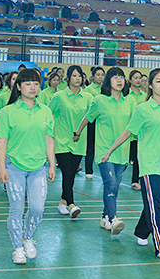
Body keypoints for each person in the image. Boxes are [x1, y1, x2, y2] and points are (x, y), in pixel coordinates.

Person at [101, 68, 160, 260]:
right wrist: (109, 151)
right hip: (149, 165)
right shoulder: (143, 109)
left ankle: (141, 231)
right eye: (158, 81)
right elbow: (127, 132)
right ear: (151, 85)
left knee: (154, 202)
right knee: (156, 207)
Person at [0, 68, 56, 264]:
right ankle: (17, 248)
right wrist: (2, 167)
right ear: (19, 87)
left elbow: (49, 140)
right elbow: (2, 141)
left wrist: (52, 165)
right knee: (17, 208)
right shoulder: (7, 112)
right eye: (28, 84)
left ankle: (27, 237)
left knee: (37, 208)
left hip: (38, 167)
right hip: (14, 166)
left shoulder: (46, 111)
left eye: (36, 84)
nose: (32, 87)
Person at [74, 67, 136, 235]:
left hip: (122, 152)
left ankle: (104, 217)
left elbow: (135, 124)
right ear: (108, 81)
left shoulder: (130, 101)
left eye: (121, 77)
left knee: (114, 187)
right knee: (110, 184)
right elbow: (88, 117)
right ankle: (113, 218)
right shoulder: (100, 100)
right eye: (115, 77)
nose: (119, 80)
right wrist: (78, 132)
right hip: (104, 151)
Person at [49, 65, 93, 219]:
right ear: (67, 79)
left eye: (80, 75)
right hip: (62, 141)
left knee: (70, 175)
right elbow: (48, 115)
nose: (77, 78)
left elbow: (92, 116)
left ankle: (62, 202)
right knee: (67, 172)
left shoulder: (88, 97)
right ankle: (71, 205)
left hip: (79, 142)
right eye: (74, 75)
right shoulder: (59, 96)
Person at [82, 66, 104, 179]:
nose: (100, 77)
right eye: (98, 75)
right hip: (92, 122)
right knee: (90, 146)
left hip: (104, 122)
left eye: (102, 75)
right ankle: (88, 170)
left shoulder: (106, 89)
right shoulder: (88, 90)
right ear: (93, 76)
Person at [128, 70, 147, 190]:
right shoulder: (126, 95)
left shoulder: (145, 96)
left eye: (139, 78)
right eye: (135, 78)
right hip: (127, 132)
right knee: (125, 158)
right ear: (130, 80)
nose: (138, 80)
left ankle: (135, 180)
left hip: (139, 133)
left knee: (137, 158)